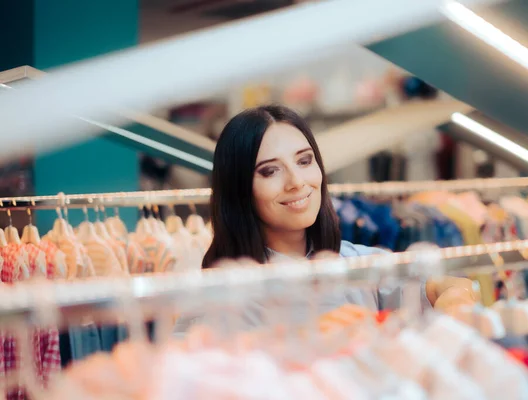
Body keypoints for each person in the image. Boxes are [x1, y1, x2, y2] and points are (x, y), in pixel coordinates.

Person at [175, 105, 477, 335]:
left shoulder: (356, 262)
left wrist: (455, 298)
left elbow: (444, 285)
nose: (297, 181)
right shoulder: (217, 297)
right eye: (270, 171)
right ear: (239, 188)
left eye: (304, 161)